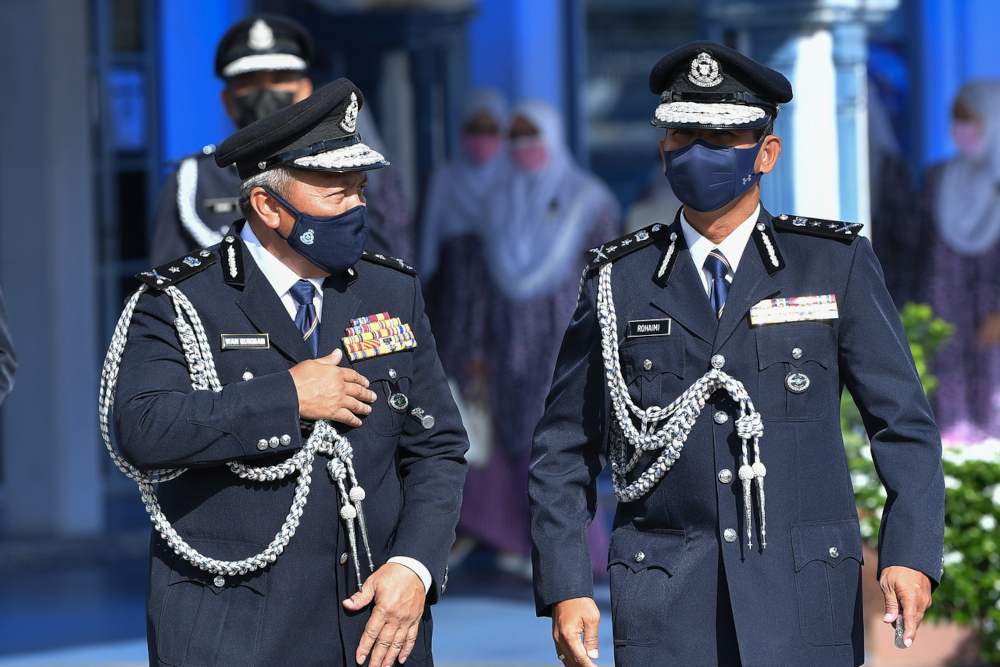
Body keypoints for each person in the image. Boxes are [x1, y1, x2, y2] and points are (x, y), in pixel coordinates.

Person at [527, 41, 945, 667]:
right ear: (662, 148)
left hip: (804, 600)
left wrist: (911, 552)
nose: (697, 155)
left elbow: (903, 424)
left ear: (765, 153)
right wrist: (564, 587)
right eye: (682, 137)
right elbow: (563, 449)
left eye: (720, 142)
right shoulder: (621, 279)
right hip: (666, 601)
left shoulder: (831, 263)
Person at [110, 78, 468, 666]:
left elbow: (437, 447)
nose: (357, 208)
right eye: (336, 194)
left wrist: (414, 566)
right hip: (233, 630)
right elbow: (144, 429)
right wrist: (288, 398)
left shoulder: (388, 288)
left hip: (372, 625)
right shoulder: (181, 299)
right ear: (269, 206)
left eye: (360, 190)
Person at [454, 100, 619, 578]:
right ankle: (521, 542)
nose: (524, 147)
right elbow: (483, 281)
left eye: (533, 136)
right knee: (511, 439)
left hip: (565, 337)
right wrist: (477, 347)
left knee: (557, 441)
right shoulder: (499, 200)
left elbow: (606, 277)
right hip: (507, 344)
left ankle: (573, 554)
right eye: (516, 138)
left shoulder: (589, 198)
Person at [149, 13, 410, 266]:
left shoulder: (339, 168)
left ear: (306, 91)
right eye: (250, 82)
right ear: (228, 101)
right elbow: (166, 288)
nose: (266, 93)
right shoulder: (194, 180)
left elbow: (373, 269)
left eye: (279, 79)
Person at [906, 80, 1000, 442]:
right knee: (946, 418)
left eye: (970, 119)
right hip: (943, 313)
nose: (961, 129)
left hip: (992, 318)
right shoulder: (939, 177)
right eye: (956, 119)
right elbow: (916, 246)